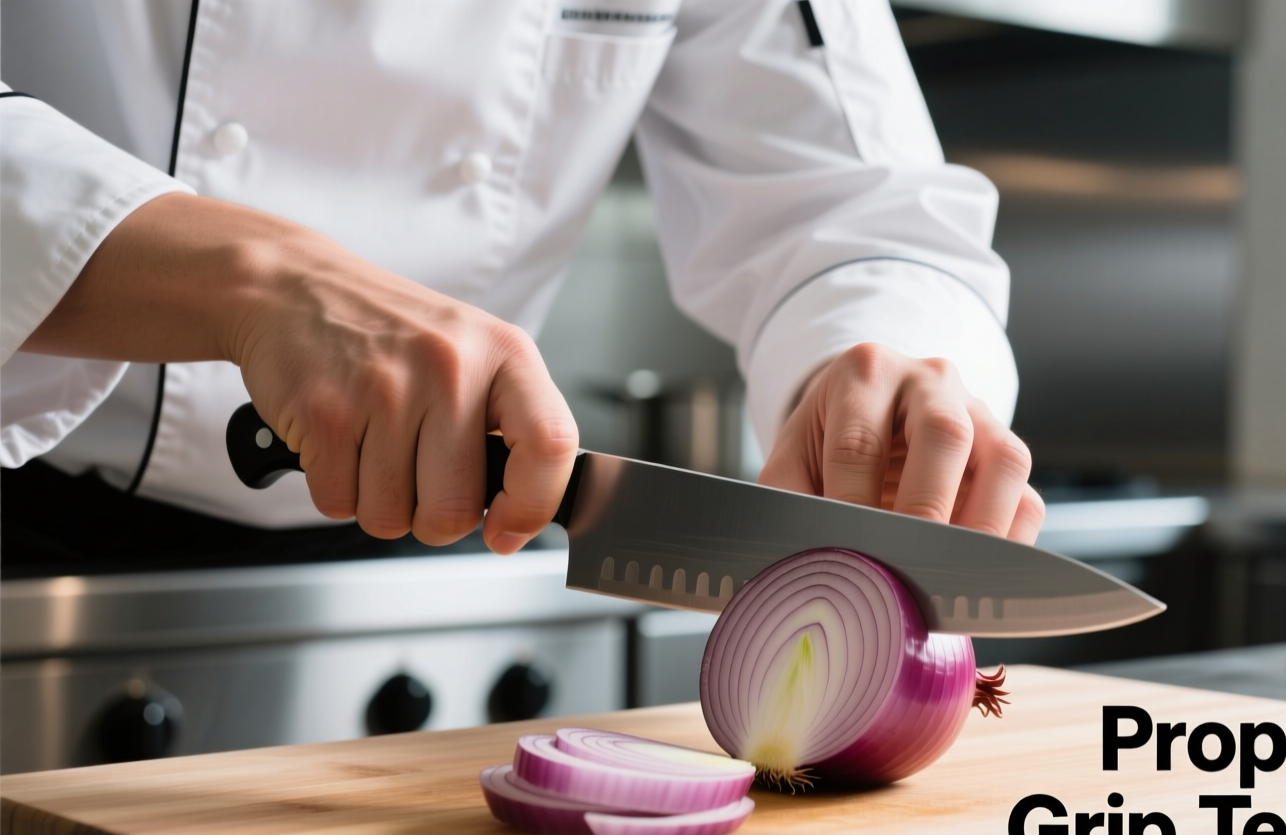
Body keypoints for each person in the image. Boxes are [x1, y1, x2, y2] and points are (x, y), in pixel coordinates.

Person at [0, 0, 1042, 571]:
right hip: (33, 534)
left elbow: (851, 200)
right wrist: (250, 276)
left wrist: (892, 356)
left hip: (434, 547)